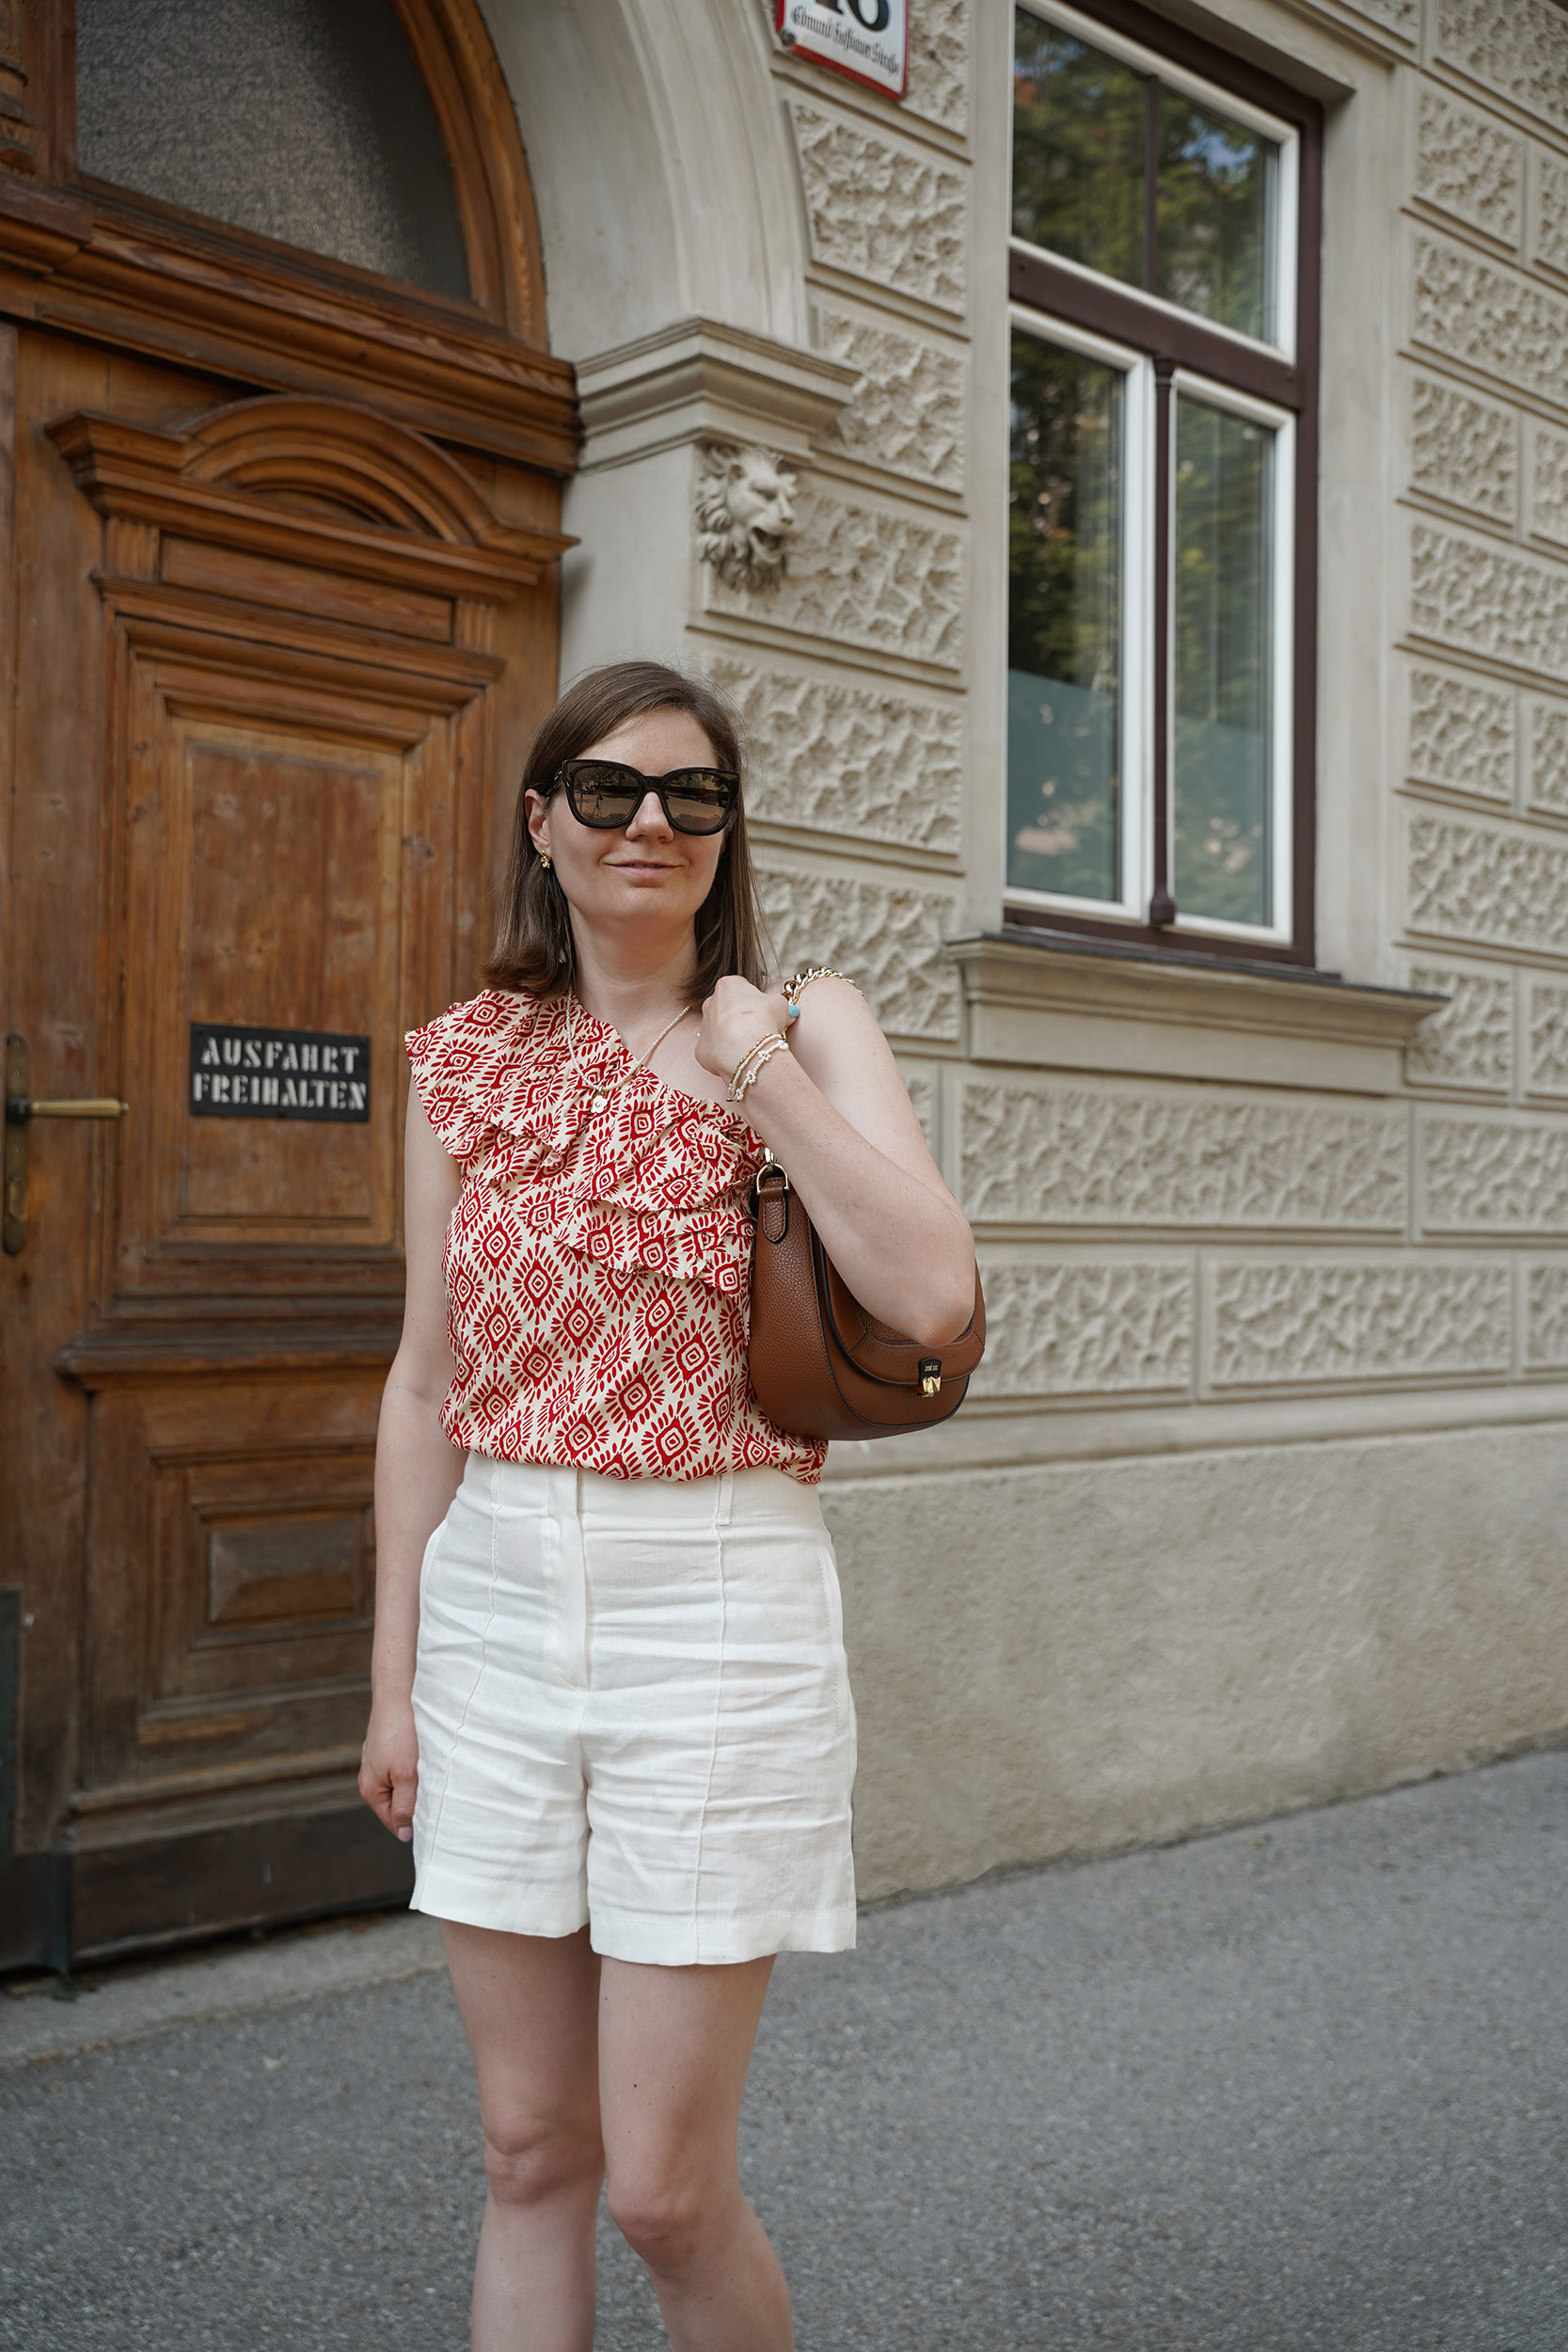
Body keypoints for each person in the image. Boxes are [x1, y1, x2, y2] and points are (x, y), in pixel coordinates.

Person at [358, 659, 976, 2352]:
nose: (652, 823)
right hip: (493, 1595)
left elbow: (930, 1295)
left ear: (727, 833)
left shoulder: (809, 1020)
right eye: (612, 791)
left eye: (693, 797)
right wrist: (394, 1678)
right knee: (528, 2148)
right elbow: (424, 1383)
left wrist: (758, 1068)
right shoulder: (464, 1061)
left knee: (663, 2189)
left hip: (714, 1596)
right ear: (540, 823)